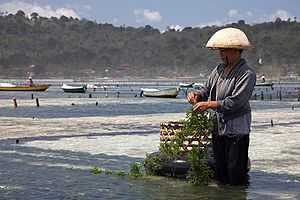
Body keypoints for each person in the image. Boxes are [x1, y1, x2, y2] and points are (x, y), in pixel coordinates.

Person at [187, 27, 256, 185]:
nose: (220, 55)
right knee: (221, 173)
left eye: (224, 51)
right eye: (219, 51)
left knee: (235, 174)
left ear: (236, 51)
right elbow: (206, 90)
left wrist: (208, 104)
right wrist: (196, 95)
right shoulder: (218, 70)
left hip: (237, 131)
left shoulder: (247, 74)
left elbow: (235, 102)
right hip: (218, 127)